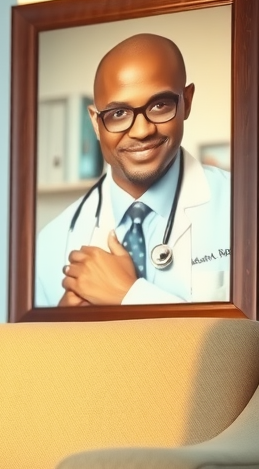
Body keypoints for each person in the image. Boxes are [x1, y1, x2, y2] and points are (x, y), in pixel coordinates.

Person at [34, 33, 231, 307]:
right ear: (95, 122)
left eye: (160, 105)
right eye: (118, 114)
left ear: (186, 101)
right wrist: (64, 326)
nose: (141, 131)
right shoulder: (51, 244)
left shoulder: (244, 206)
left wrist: (129, 295)